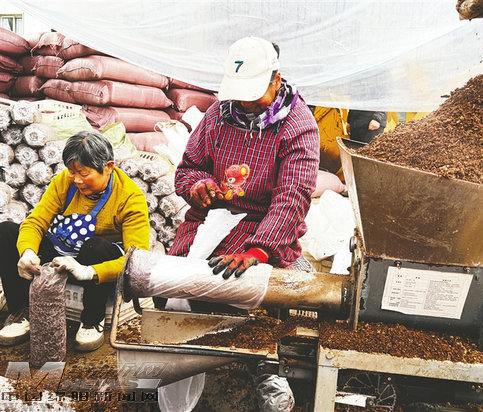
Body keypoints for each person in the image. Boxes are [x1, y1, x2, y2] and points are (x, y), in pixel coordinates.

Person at [166, 36, 320, 412]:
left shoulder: (298, 126)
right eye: (240, 94)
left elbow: (292, 198)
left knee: (254, 287)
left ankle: (265, 363)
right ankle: (190, 348)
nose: (245, 104)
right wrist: (198, 187)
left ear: (276, 79)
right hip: (212, 220)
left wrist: (259, 250)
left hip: (262, 226)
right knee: (174, 281)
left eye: (254, 94)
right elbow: (189, 167)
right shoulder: (219, 114)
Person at [0, 131, 150, 351]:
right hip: (62, 253)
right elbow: (36, 221)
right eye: (72, 172)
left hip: (97, 266)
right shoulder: (64, 182)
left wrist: (88, 272)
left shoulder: (130, 198)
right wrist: (27, 251)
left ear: (108, 167)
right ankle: (22, 310)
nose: (77, 179)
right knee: (6, 232)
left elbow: (137, 261)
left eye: (84, 173)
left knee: (96, 246)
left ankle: (92, 320)